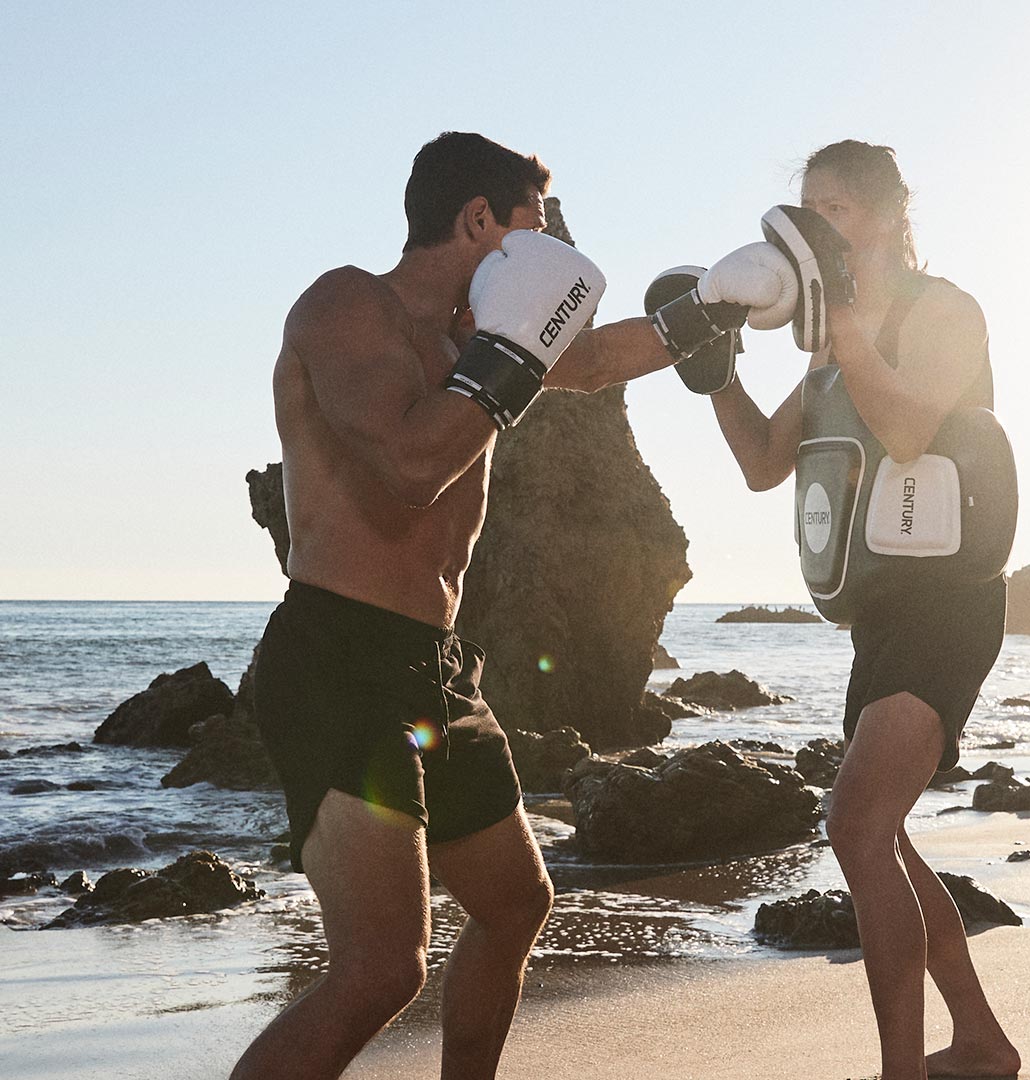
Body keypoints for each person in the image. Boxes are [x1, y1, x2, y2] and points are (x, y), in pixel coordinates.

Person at [234, 131, 783, 1080]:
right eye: (533, 227)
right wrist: (506, 350)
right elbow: (409, 465)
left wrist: (713, 305)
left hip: (435, 666)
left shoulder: (475, 340)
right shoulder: (344, 304)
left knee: (517, 904)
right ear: (478, 219)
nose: (547, 253)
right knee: (377, 972)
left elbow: (602, 360)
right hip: (338, 656)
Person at [704, 140, 1020, 1080]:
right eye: (806, 208)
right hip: (880, 615)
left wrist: (841, 317)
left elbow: (913, 427)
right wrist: (712, 369)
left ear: (884, 216)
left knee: (856, 826)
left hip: (950, 607)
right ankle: (981, 1039)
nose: (813, 226)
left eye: (833, 210)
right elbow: (765, 461)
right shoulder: (824, 348)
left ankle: (902, 1071)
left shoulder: (946, 311)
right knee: (881, 832)